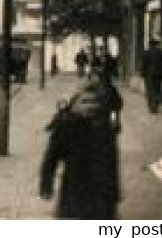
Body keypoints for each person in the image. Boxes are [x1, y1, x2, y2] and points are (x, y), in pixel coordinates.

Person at [40, 74, 121, 218]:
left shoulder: (104, 128)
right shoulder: (66, 126)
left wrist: (114, 192)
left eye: (94, 102)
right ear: (75, 104)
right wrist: (46, 183)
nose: (90, 106)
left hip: (101, 194)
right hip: (74, 190)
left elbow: (112, 162)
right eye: (85, 102)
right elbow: (51, 158)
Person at [141, 38, 162, 113]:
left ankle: (152, 106)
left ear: (150, 44)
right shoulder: (161, 52)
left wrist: (142, 73)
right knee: (157, 89)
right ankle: (156, 105)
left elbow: (144, 64)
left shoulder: (146, 52)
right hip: (159, 74)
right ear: (156, 44)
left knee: (150, 90)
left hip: (149, 74)